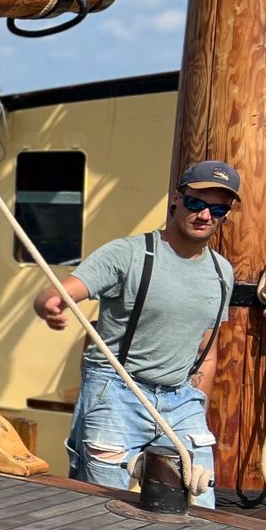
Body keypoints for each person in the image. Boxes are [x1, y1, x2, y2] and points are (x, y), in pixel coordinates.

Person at [35, 161, 239, 507]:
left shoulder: (223, 272)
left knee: (202, 507)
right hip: (117, 390)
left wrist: (197, 402)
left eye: (217, 208)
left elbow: (208, 348)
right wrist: (50, 305)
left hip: (182, 400)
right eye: (196, 203)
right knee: (98, 507)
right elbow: (55, 292)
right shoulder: (129, 254)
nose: (205, 215)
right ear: (176, 200)